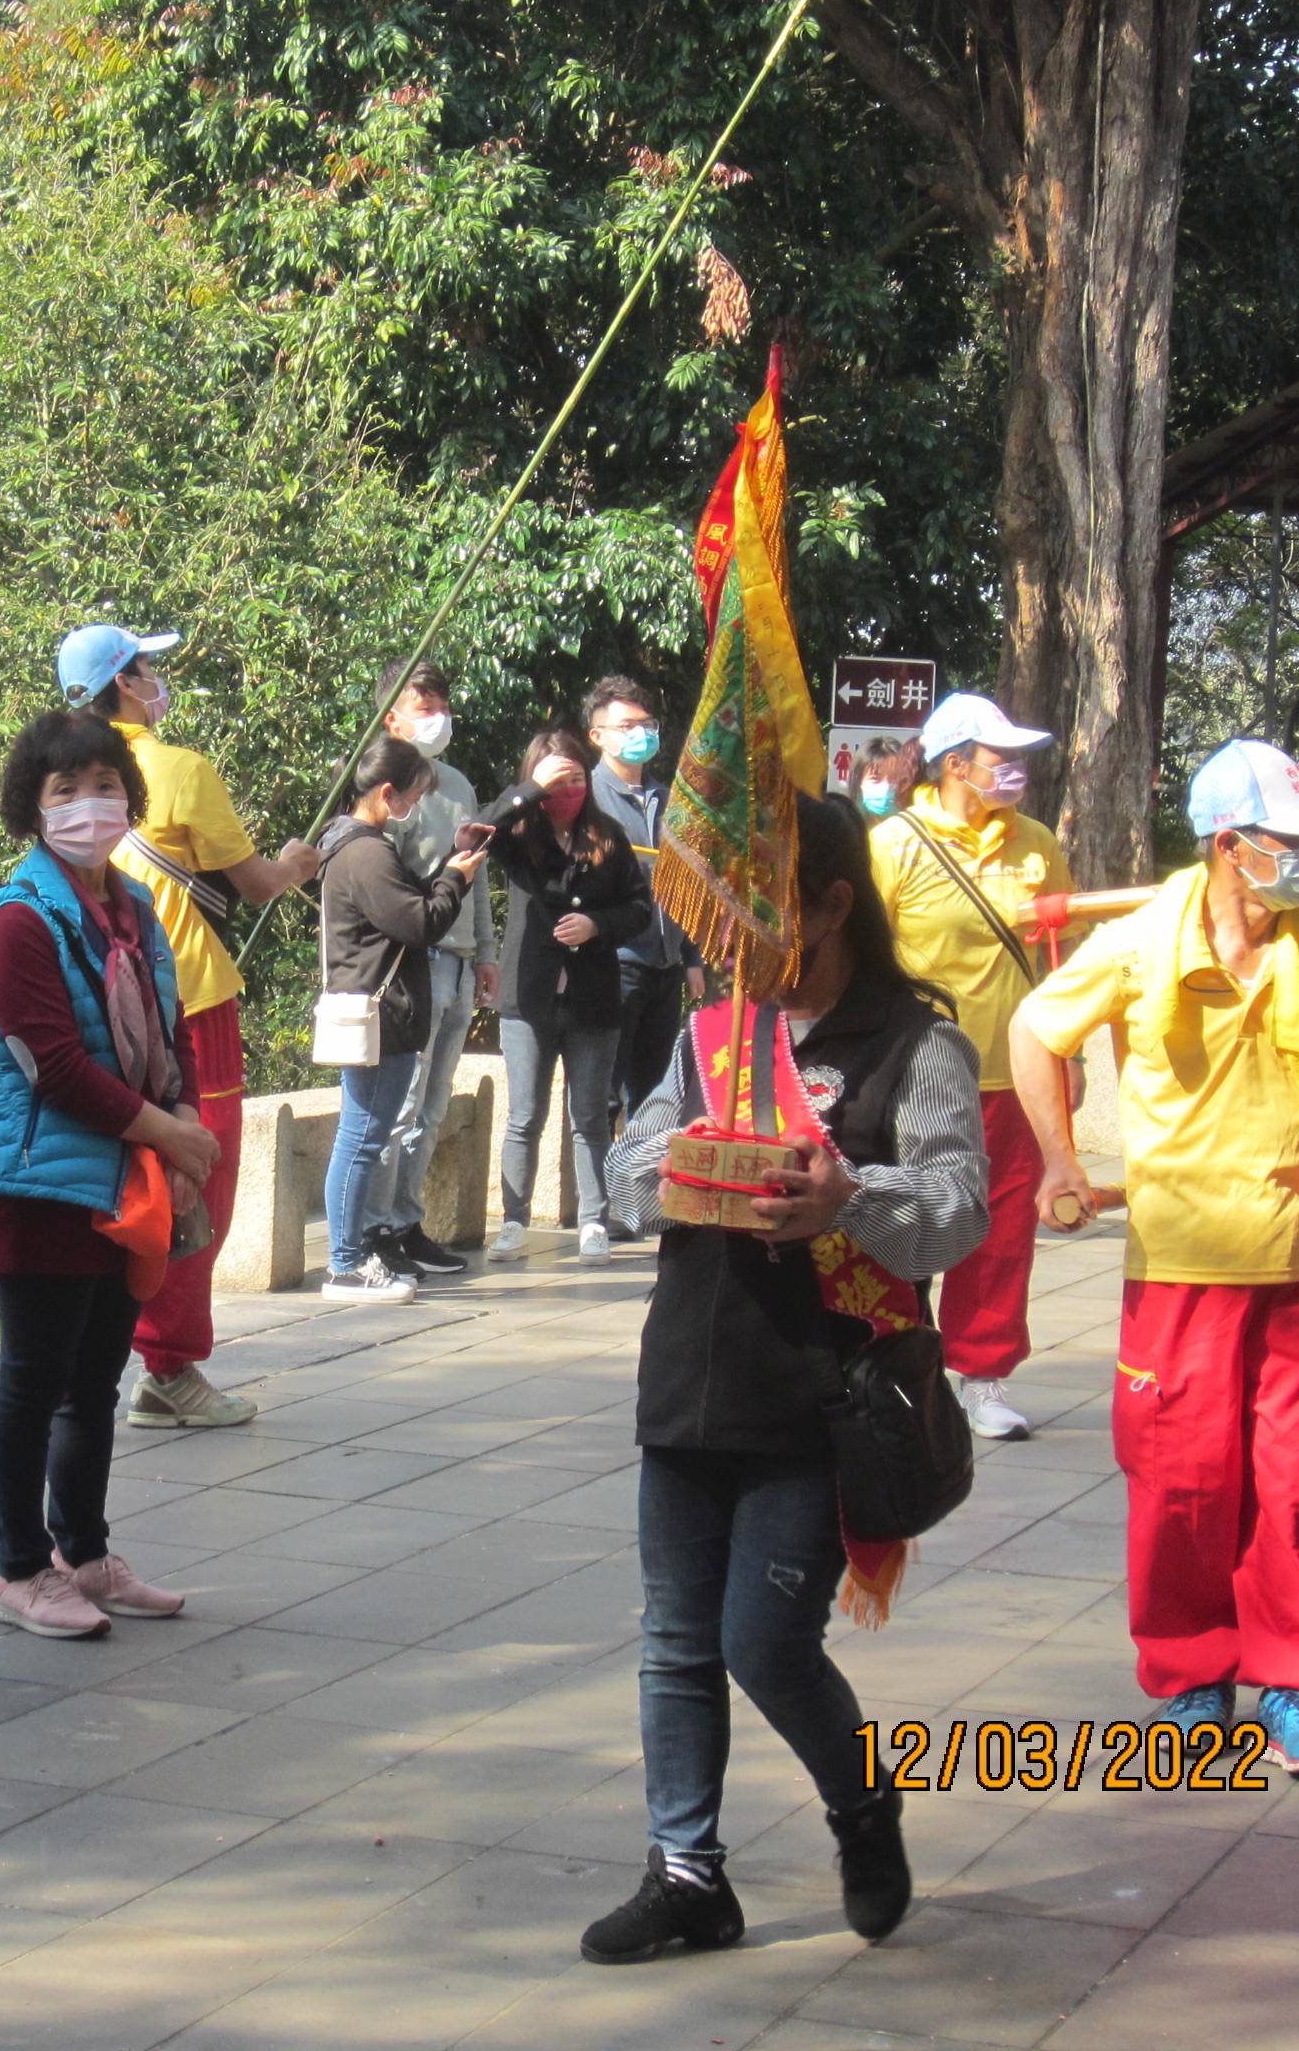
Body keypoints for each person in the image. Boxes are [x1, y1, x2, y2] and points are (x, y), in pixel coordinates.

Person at [580, 793, 988, 1960]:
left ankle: (860, 1806)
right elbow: (628, 1165)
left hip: (825, 1389)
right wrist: (690, 1162)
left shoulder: (915, 1045)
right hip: (691, 1371)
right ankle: (685, 1874)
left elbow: (958, 1210)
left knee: (761, 1640)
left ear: (831, 905)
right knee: (673, 1637)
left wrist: (846, 1198)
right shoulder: (711, 1035)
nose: (735, 939)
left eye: (761, 910)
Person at [1009, 739, 1299, 1773]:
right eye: (1287, 841)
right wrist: (1059, 1159)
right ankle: (1189, 1675)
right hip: (1178, 1261)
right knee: (1179, 1482)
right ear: (1229, 845)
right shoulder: (1139, 941)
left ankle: (1297, 1678)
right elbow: (1034, 1030)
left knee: (1297, 1480)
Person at [0, 708, 212, 1640]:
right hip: (43, 1182)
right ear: (34, 809)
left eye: (105, 786)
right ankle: (19, 1568)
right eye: (67, 790)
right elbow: (53, 1067)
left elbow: (171, 1030)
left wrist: (182, 1115)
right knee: (34, 1380)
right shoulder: (16, 921)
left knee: (94, 1379)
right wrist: (169, 1133)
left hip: (121, 1180)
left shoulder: (134, 911)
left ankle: (85, 1554)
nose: (91, 805)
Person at [61, 623, 318, 1431]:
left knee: (120, 1171)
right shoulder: (179, 770)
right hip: (189, 1004)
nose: (158, 680)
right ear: (126, 682)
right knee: (197, 1175)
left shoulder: (57, 779)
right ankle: (170, 1364)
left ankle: (117, 1354)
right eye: (149, 667)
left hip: (95, 997)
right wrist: (297, 865)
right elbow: (256, 882)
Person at [868, 692, 1069, 1442]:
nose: (1015, 770)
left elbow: (1063, 958)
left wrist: (1069, 1051)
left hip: (1017, 1071)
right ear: (955, 764)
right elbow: (865, 954)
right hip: (922, 1072)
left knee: (1004, 1230)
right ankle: (892, 1361)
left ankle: (983, 1377)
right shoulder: (895, 843)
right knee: (904, 1218)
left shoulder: (1036, 843)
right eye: (1000, 758)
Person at [315, 737, 488, 1304]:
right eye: (413, 797)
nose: (414, 808)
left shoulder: (356, 844)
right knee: (362, 1139)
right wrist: (457, 878)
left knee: (362, 1136)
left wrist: (450, 862)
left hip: (380, 1011)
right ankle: (344, 1264)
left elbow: (405, 905)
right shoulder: (365, 852)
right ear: (387, 793)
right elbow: (420, 923)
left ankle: (349, 1257)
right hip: (379, 1014)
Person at [482, 729, 653, 1261]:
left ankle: (593, 1220)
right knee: (524, 1117)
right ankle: (513, 1220)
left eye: (577, 778)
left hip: (593, 999)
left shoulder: (607, 835)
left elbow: (639, 908)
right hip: (528, 999)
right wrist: (529, 791)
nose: (569, 789)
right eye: (558, 780)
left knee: (590, 1116)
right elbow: (479, 832)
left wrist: (597, 925)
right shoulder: (518, 835)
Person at [359, 665, 499, 1280]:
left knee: (433, 1106)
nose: (438, 716)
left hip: (461, 958)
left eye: (443, 703)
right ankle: (374, 1231)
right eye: (424, 706)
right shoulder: (379, 787)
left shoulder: (459, 782)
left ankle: (407, 1221)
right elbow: (387, 880)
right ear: (393, 716)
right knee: (400, 1102)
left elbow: (477, 872)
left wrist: (487, 951)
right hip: (413, 961)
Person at [583, 675, 706, 1121]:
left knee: (655, 1100)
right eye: (627, 726)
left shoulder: (668, 799)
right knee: (603, 1096)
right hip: (612, 963)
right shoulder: (587, 797)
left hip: (665, 966)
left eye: (647, 724)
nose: (641, 734)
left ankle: (641, 1169)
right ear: (597, 736)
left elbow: (684, 882)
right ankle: (599, 1171)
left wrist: (691, 956)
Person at [852, 736, 918, 822]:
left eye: (895, 778)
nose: (886, 787)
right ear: (859, 781)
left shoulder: (920, 828)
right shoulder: (845, 826)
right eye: (875, 779)